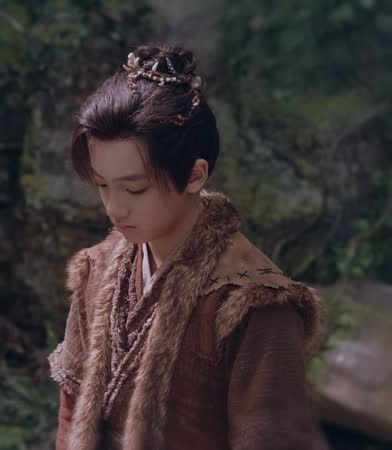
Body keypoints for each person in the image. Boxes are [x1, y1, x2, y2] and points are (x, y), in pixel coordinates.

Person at [49, 45, 328, 450]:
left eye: (134, 188)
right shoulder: (98, 268)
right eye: (102, 186)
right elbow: (71, 410)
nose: (114, 208)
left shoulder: (253, 303)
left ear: (195, 175)